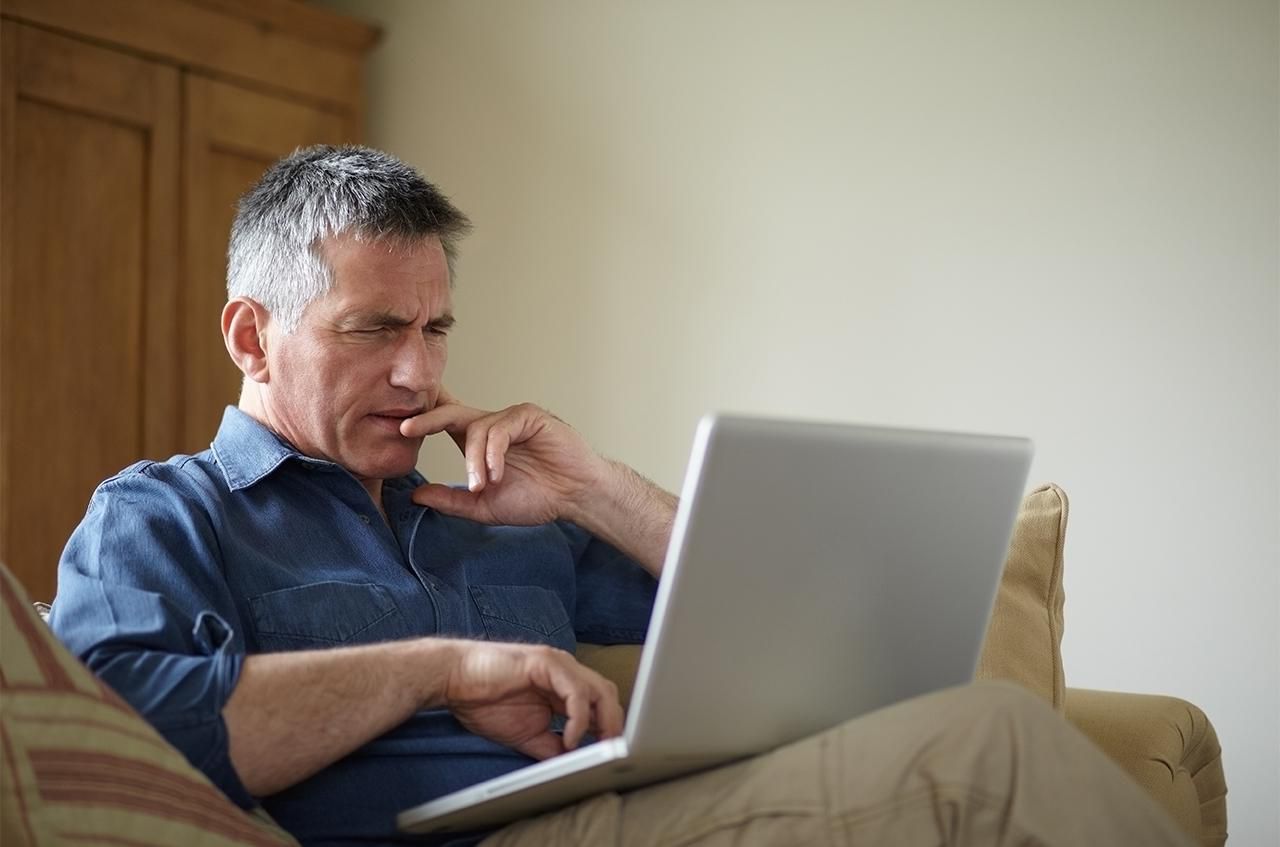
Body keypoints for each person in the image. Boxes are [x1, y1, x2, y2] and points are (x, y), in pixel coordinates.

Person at [50, 146, 1192, 847]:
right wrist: (438, 669)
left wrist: (592, 490)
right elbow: (116, 734)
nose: (418, 371)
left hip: (614, 812)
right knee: (988, 745)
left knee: (972, 726)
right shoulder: (165, 515)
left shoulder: (503, 518)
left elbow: (810, 629)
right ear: (251, 336)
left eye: (436, 328)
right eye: (374, 329)